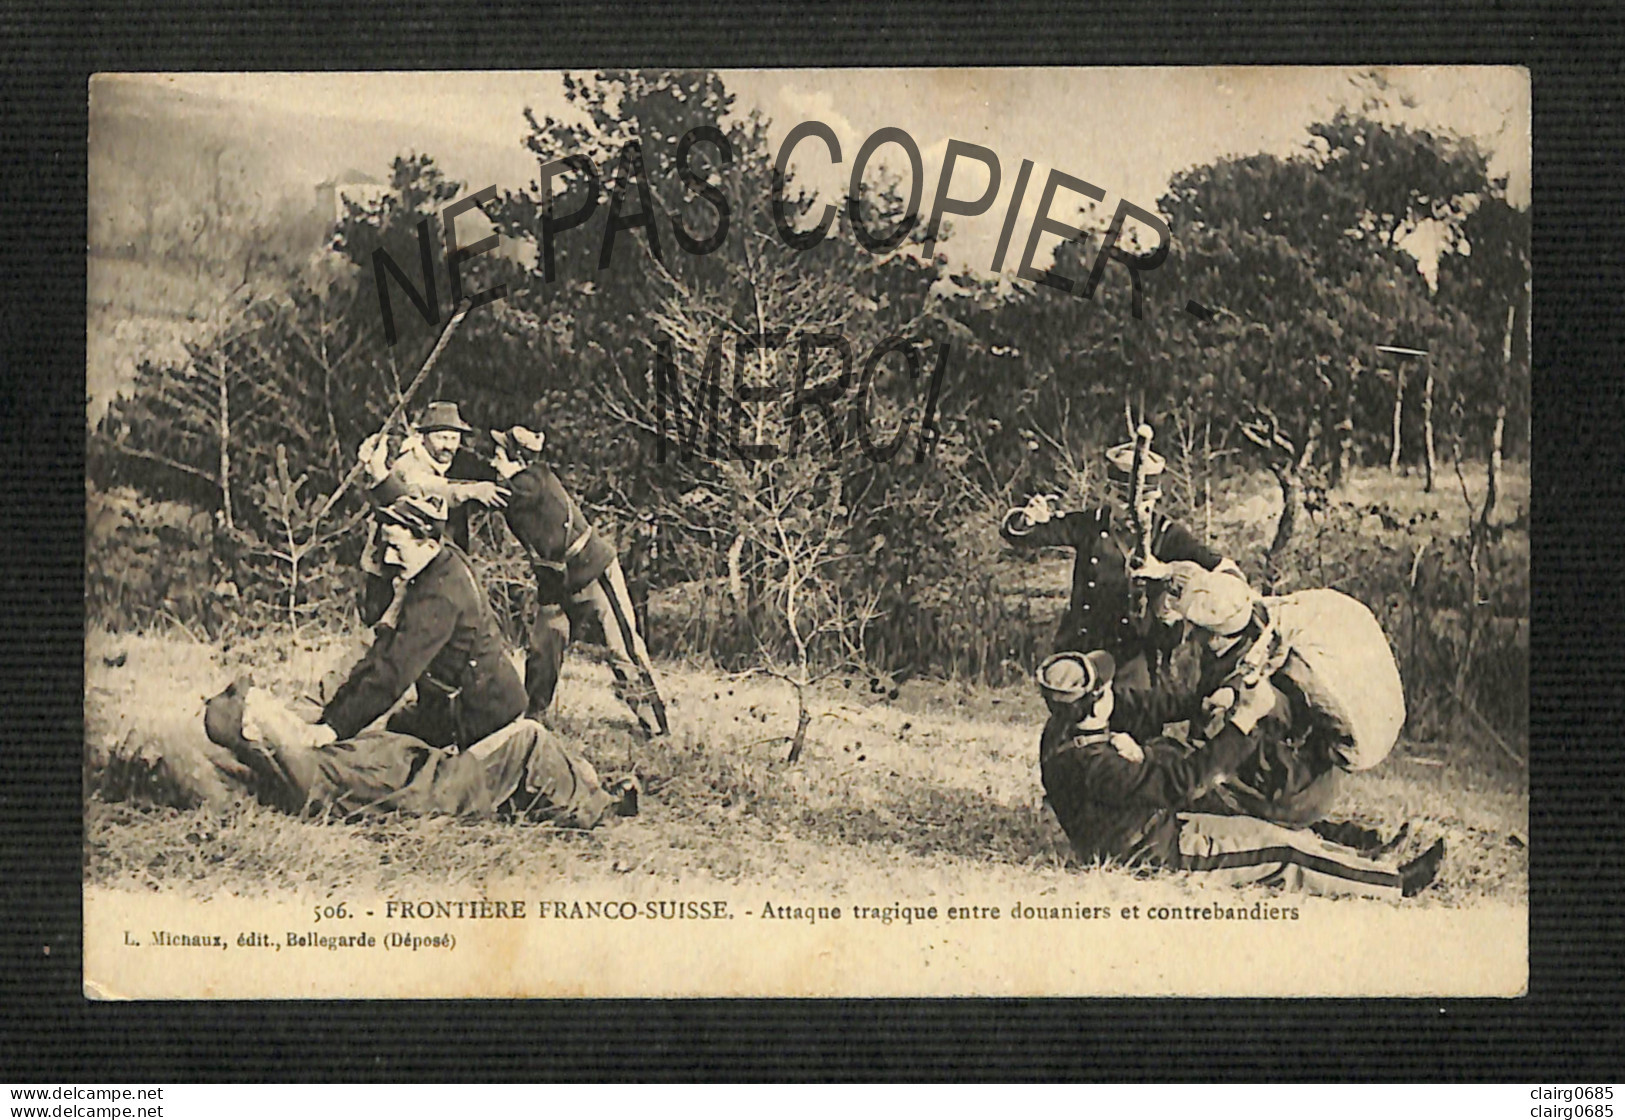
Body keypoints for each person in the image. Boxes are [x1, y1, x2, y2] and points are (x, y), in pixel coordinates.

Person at [202, 495, 633, 825]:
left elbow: (390, 675)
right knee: (383, 748)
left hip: (485, 723)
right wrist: (328, 724)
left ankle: (595, 799)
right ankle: (587, 785)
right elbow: (379, 661)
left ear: (427, 541)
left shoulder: (439, 596)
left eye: (395, 547)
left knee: (476, 775)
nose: (389, 559)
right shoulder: (433, 568)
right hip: (448, 713)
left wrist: (329, 729)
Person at [1034, 650, 1443, 900]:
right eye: (1105, 691)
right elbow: (1183, 781)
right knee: (1281, 854)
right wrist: (1242, 722)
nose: (1114, 693)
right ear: (1092, 707)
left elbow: (1146, 706)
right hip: (1152, 850)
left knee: (1258, 824)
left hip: (1151, 823)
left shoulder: (1065, 728)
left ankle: (1365, 860)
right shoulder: (1094, 766)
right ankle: (1393, 885)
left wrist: (1212, 697)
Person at [1001, 436, 1244, 690]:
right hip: (1084, 648)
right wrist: (1028, 519)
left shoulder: (1167, 534)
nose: (1133, 511)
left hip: (1134, 656)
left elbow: (1223, 569)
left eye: (1144, 503)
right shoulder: (1091, 524)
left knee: (1135, 718)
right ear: (1106, 492)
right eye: (1121, 500)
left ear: (1156, 498)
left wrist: (1168, 572)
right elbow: (1023, 534)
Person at [475, 426, 670, 736]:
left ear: (517, 457)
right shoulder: (522, 483)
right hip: (555, 581)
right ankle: (532, 721)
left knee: (623, 649)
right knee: (543, 650)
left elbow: (503, 489)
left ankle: (657, 728)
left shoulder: (530, 483)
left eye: (499, 453)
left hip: (593, 571)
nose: (493, 458)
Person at [356, 401, 509, 628]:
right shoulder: (409, 463)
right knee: (387, 632)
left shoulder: (454, 460)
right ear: (424, 437)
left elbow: (488, 473)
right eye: (441, 438)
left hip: (427, 564)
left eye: (454, 438)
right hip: (392, 569)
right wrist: (472, 491)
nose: (448, 446)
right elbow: (430, 488)